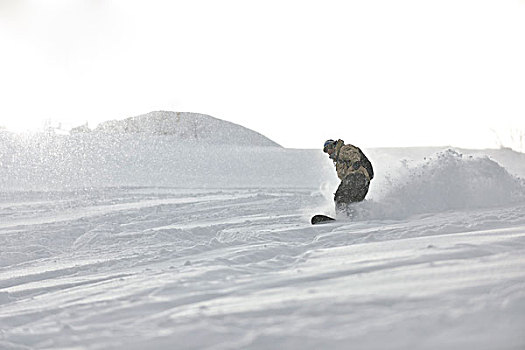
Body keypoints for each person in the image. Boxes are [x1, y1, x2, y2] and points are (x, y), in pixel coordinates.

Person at [323, 139, 374, 216]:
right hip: (363, 183)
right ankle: (357, 215)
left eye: (328, 149)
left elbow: (353, 153)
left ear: (333, 146)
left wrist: (356, 162)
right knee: (353, 201)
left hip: (356, 176)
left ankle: (342, 216)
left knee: (339, 197)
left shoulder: (343, 149)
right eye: (326, 151)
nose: (328, 152)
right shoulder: (339, 163)